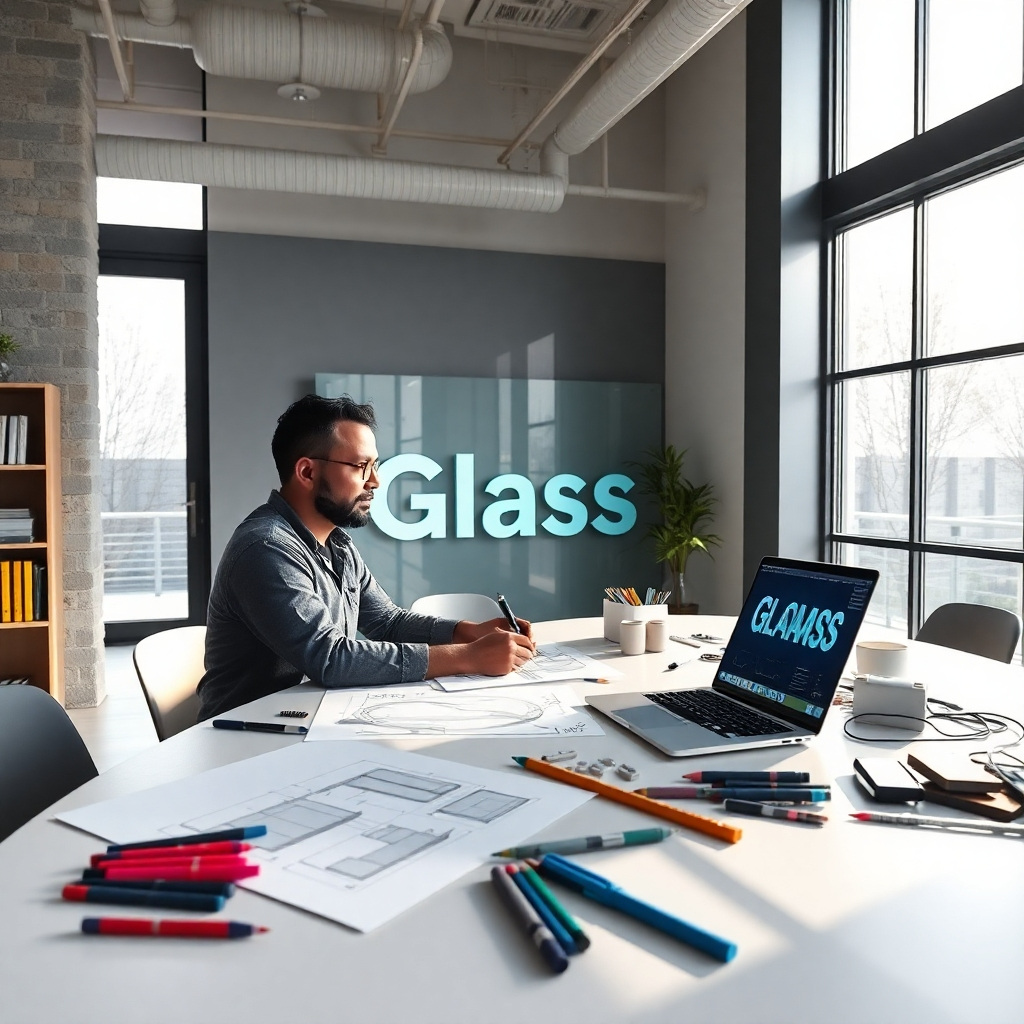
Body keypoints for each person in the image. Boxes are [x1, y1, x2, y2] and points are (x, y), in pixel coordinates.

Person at [197, 394, 536, 720]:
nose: (375, 480)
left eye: (375, 465)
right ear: (307, 472)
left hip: (313, 719)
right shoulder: (265, 548)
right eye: (361, 466)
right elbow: (329, 659)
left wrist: (468, 632)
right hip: (247, 736)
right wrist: (467, 657)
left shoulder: (337, 543)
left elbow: (387, 622)